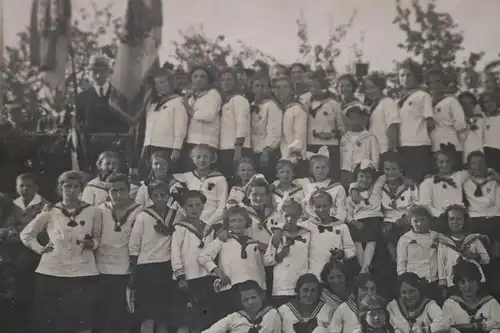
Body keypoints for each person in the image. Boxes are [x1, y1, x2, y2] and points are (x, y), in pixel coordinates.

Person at [20, 171, 102, 333]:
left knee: (81, 321)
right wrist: (40, 249)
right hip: (52, 272)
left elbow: (98, 237)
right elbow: (26, 234)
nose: (71, 190)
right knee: (54, 322)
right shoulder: (51, 211)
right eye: (67, 186)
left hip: (82, 271)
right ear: (60, 188)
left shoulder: (93, 211)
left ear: (81, 189)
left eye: (75, 186)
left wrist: (91, 243)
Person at [128, 180, 182, 333]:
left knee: (163, 316)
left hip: (168, 267)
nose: (160, 198)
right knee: (148, 315)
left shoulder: (176, 214)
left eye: (163, 195)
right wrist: (134, 270)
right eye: (156, 195)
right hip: (147, 268)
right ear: (150, 197)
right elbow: (134, 244)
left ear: (168, 196)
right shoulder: (143, 215)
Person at [198, 206, 266, 318]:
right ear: (227, 223)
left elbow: (260, 269)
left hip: (252, 289)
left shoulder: (252, 243)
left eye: (240, 220)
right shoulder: (222, 241)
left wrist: (263, 287)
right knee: (233, 318)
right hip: (231, 287)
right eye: (233, 221)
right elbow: (204, 256)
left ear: (246, 222)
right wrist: (219, 273)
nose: (236, 224)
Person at [95, 173, 143, 333]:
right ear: (107, 192)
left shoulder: (140, 211)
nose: (117, 194)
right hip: (101, 268)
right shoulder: (99, 210)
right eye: (113, 191)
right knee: (104, 315)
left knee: (125, 316)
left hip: (126, 269)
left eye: (122, 190)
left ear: (129, 190)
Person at [171, 190, 220, 333]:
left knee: (205, 317)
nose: (194, 208)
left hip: (206, 277)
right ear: (184, 208)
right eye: (190, 205)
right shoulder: (179, 228)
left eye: (197, 205)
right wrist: (180, 276)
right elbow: (175, 254)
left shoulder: (209, 229)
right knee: (188, 319)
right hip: (188, 278)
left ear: (203, 207)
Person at [8, 173, 49, 332]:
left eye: (29, 186)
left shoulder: (43, 205)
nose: (25, 189)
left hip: (33, 250)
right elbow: (8, 225)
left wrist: (19, 234)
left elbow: (41, 230)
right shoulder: (13, 204)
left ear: (36, 187)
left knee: (28, 287)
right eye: (21, 186)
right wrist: (14, 233)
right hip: (14, 247)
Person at [75, 54, 130, 174]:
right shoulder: (82, 98)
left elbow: (128, 121)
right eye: (94, 72)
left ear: (109, 72)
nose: (98, 75)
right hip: (93, 150)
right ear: (89, 73)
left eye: (102, 71)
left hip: (117, 146)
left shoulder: (120, 96)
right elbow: (80, 124)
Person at [140, 66, 188, 176]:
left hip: (166, 146)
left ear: (171, 83)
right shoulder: (152, 103)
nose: (159, 86)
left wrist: (177, 148)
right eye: (156, 83)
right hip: (149, 145)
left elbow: (180, 127)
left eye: (162, 82)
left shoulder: (178, 101)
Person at [264, 198, 310, 307]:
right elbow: (266, 261)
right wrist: (280, 255)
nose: (290, 219)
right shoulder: (277, 235)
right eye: (286, 216)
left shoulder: (307, 234)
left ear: (299, 216)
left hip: (301, 285)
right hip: (282, 286)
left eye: (294, 216)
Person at [396, 59, 435, 184]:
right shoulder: (398, 100)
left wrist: (418, 135)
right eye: (402, 75)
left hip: (418, 146)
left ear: (416, 76)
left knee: (418, 182)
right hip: (403, 146)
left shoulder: (423, 96)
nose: (405, 78)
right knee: (406, 183)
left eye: (409, 75)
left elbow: (430, 122)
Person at [437, 204, 489, 298]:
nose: (455, 222)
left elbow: (486, 259)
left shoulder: (473, 239)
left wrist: (473, 255)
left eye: (459, 219)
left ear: (464, 221)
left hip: (474, 281)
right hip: (453, 282)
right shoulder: (443, 242)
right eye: (451, 219)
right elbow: (441, 265)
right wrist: (443, 286)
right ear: (447, 221)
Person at [303, 190, 355, 277]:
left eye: (325, 206)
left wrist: (342, 254)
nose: (322, 209)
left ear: (331, 205)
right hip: (313, 272)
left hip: (334, 275)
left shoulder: (341, 226)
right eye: (318, 206)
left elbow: (352, 250)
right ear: (312, 207)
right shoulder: (306, 226)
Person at [304, 70, 345, 180]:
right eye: (310, 86)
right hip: (310, 146)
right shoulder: (304, 104)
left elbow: (342, 129)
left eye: (316, 85)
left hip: (330, 147)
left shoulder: (333, 104)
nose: (313, 89)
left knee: (330, 178)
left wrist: (330, 135)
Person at [174, 144, 228, 226]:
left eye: (206, 156)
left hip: (211, 222)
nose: (202, 160)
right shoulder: (185, 177)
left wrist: (209, 225)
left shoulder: (219, 179)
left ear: (211, 158)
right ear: (193, 159)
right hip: (189, 223)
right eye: (198, 157)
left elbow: (222, 208)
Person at [442, 260, 500, 333]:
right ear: (458, 285)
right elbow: (444, 327)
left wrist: (480, 326)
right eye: (463, 282)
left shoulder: (491, 303)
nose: (468, 286)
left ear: (478, 282)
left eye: (472, 281)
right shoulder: (450, 304)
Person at [202, 280, 281, 333]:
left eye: (253, 297)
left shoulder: (272, 314)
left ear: (261, 296)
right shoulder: (235, 317)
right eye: (246, 300)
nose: (250, 302)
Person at [346, 160, 383, 273]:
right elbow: (348, 214)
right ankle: (364, 268)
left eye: (368, 177)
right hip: (358, 221)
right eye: (361, 176)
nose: (364, 180)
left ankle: (365, 267)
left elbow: (383, 176)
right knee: (357, 240)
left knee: (372, 240)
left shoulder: (376, 189)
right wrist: (354, 222)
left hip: (374, 219)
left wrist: (353, 186)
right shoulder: (351, 197)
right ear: (356, 177)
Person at [397, 205, 441, 300]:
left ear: (428, 220)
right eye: (415, 221)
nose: (420, 224)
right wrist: (404, 282)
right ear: (410, 222)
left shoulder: (436, 236)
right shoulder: (405, 239)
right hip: (414, 284)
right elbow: (401, 263)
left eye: (423, 220)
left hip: (433, 282)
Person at [419, 144, 468, 225]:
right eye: (441, 162)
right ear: (436, 163)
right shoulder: (428, 182)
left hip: (457, 219)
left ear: (453, 162)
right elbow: (426, 205)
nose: (445, 165)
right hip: (438, 219)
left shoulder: (460, 176)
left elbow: (476, 171)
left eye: (448, 161)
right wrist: (442, 215)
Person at [462, 151, 500, 257]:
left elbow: (498, 204)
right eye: (474, 163)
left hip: (493, 217)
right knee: (476, 245)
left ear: (486, 166)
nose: (478, 166)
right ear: (469, 167)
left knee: (496, 243)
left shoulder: (494, 183)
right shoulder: (466, 183)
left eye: (481, 162)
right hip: (475, 219)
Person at [426, 68, 467, 163]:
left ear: (444, 84)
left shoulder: (451, 101)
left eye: (438, 81)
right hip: (433, 148)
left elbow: (461, 125)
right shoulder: (425, 105)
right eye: (431, 83)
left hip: (451, 147)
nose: (435, 85)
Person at [218, 67, 252, 179]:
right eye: (222, 80)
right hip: (224, 148)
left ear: (235, 82)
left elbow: (242, 124)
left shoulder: (239, 100)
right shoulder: (223, 101)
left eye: (229, 79)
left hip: (237, 149)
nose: (225, 82)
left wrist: (238, 149)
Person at [250, 73, 282, 181]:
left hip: (265, 152)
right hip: (253, 150)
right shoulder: (251, 105)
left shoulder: (271, 105)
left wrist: (268, 149)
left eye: (263, 86)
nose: (260, 89)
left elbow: (274, 130)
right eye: (257, 86)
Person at [298, 147, 346, 219]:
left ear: (328, 169)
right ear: (311, 169)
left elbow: (341, 210)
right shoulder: (305, 182)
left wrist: (334, 222)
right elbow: (286, 181)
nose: (320, 170)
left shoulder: (337, 187)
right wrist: (274, 184)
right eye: (317, 167)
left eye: (323, 167)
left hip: (330, 220)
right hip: (310, 221)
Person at [340, 104, 380, 189]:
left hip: (362, 173)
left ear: (364, 119)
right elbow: (342, 157)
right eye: (351, 119)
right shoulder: (344, 138)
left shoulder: (370, 137)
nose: (354, 121)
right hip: (346, 173)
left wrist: (371, 171)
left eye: (357, 118)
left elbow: (375, 159)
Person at [184, 65, 223, 152]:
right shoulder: (191, 97)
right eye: (195, 76)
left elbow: (209, 116)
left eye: (203, 76)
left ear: (209, 79)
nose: (199, 79)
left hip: (207, 142)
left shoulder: (213, 94)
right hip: (190, 141)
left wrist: (189, 109)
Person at [363, 73, 400, 154]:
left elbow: (393, 128)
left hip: (384, 151)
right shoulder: (373, 106)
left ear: (380, 87)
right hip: (373, 152)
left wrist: (390, 155)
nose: (369, 91)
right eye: (367, 88)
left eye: (373, 87)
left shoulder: (388, 102)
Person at [274, 76, 308, 164]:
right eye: (278, 87)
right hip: (279, 156)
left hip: (293, 158)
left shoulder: (297, 108)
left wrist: (294, 156)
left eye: (285, 87)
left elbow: (300, 135)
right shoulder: (276, 109)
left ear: (292, 90)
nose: (281, 90)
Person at [457, 92, 484, 166]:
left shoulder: (481, 121)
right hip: (464, 160)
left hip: (482, 160)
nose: (467, 106)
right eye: (463, 104)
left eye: (470, 103)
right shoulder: (455, 123)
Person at [480, 91, 500, 173]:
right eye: (486, 102)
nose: (489, 104)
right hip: (486, 153)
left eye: (492, 100)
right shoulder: (482, 119)